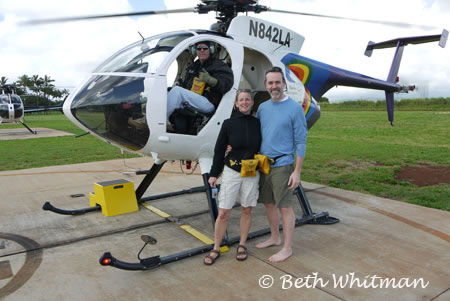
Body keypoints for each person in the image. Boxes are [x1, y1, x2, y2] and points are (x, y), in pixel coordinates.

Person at [255, 66, 308, 263]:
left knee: (285, 207)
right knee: (268, 204)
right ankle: (275, 237)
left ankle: (287, 247)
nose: (274, 86)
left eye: (278, 82)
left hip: (283, 165)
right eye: (271, 83)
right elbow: (258, 134)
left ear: (284, 84)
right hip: (264, 164)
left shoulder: (295, 108)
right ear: (266, 85)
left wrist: (297, 171)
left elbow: (301, 141)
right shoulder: (262, 108)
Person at [204, 89, 262, 265]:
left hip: (251, 171)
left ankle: (242, 244)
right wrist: (214, 173)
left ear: (252, 103)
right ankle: (216, 247)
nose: (244, 102)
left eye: (247, 99)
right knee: (223, 212)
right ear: (236, 104)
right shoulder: (228, 124)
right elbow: (219, 149)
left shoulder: (258, 123)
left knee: (247, 209)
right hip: (232, 171)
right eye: (241, 100)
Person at [167, 41, 234, 120]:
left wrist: (211, 80)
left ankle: (162, 121)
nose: (202, 50)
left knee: (177, 92)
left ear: (210, 50)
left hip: (209, 102)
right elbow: (186, 85)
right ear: (196, 51)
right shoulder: (194, 66)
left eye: (205, 48)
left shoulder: (218, 65)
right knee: (167, 92)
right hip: (195, 98)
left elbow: (227, 85)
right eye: (199, 48)